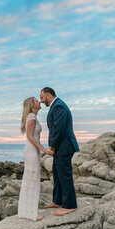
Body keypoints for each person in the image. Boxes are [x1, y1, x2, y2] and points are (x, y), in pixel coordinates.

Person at [40, 87, 79, 216]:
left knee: (64, 175)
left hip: (64, 146)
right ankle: (58, 200)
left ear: (48, 95)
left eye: (42, 97)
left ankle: (69, 205)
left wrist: (52, 146)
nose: (41, 101)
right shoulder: (56, 105)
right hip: (61, 147)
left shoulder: (59, 106)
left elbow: (58, 128)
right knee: (57, 174)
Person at [18, 97, 49, 221]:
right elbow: (30, 137)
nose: (39, 102)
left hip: (32, 152)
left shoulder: (32, 117)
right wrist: (44, 149)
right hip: (31, 152)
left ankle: (26, 212)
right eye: (36, 101)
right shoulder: (31, 117)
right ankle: (31, 214)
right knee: (32, 181)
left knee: (30, 181)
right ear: (32, 105)